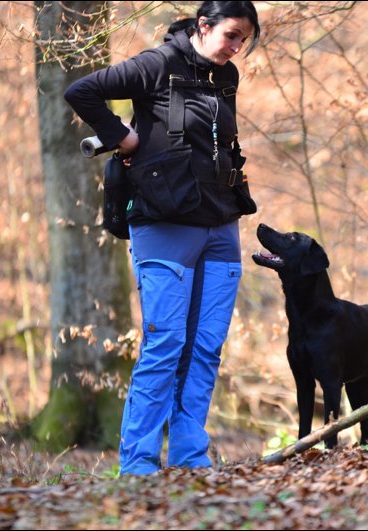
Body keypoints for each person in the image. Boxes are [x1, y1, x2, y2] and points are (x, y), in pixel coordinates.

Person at [64, 1, 260, 475]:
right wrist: (123, 137)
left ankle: (190, 457)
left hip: (221, 223)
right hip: (164, 223)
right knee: (166, 343)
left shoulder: (226, 76)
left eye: (244, 39)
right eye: (231, 35)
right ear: (203, 25)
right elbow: (82, 91)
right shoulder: (156, 64)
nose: (237, 47)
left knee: (205, 346)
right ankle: (139, 464)